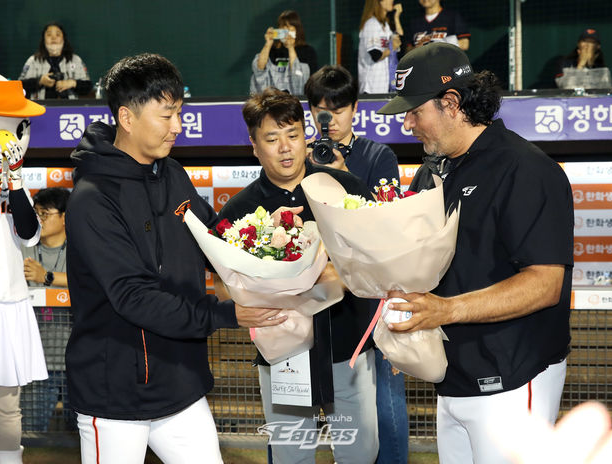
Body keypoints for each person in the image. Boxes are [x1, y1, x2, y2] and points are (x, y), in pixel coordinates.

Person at [64, 53, 286, 464]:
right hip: (114, 396)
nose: (178, 126)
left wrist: (266, 237)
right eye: (167, 115)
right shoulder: (93, 199)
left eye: (179, 113)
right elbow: (132, 296)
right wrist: (225, 314)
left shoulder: (173, 173)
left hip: (181, 385)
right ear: (127, 119)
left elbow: (213, 239)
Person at [378, 43, 574, 464]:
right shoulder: (433, 171)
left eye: (415, 111)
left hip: (514, 380)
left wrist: (444, 311)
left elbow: (545, 284)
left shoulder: (525, 169)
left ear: (451, 103)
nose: (407, 123)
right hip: (452, 377)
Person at [218, 87, 379, 464]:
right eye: (272, 139)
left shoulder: (346, 189)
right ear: (254, 146)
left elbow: (378, 265)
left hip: (348, 347)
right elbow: (224, 288)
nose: (286, 147)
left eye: (293, 135)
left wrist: (338, 273)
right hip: (282, 354)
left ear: (307, 135)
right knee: (293, 456)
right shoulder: (240, 213)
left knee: (361, 452)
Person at [304, 65, 407, 464]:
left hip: (370, 296)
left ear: (355, 109)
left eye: (338, 108)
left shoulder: (378, 155)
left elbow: (386, 224)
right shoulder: (301, 155)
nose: (328, 118)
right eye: (319, 109)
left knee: (385, 403)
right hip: (314, 296)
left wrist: (344, 176)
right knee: (315, 409)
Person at [0, 69, 48, 463]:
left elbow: (28, 232)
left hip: (5, 301)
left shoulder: (12, 181)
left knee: (6, 404)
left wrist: (15, 181)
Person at [20, 187, 73, 432]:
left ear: (65, 217)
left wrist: (47, 277)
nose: (38, 220)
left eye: (45, 214)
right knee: (30, 434)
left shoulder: (81, 249)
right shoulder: (22, 249)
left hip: (77, 361)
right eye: (36, 214)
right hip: (36, 361)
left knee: (82, 436)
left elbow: (94, 284)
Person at [250, 10, 318, 95]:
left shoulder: (307, 51)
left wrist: (290, 47)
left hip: (297, 100)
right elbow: (259, 70)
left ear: (297, 29)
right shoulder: (271, 50)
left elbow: (303, 78)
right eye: (282, 27)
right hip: (271, 99)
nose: (285, 30)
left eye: (289, 27)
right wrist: (268, 44)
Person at [18, 22, 91, 100]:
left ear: (64, 38)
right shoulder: (33, 61)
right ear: (43, 39)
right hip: (40, 108)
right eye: (49, 35)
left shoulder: (75, 60)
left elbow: (88, 87)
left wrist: (72, 83)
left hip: (70, 108)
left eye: (58, 35)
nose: (53, 38)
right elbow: (19, 87)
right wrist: (39, 81)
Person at [358, 0, 402, 94]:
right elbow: (375, 55)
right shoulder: (371, 24)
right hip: (370, 87)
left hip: (382, 85)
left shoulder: (385, 25)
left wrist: (396, 17)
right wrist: (391, 47)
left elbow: (400, 39)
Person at [404, 0, 470, 52]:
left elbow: (464, 44)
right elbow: (407, 50)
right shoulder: (414, 22)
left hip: (447, 65)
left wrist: (433, 46)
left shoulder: (453, 17)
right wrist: (416, 49)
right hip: (422, 66)